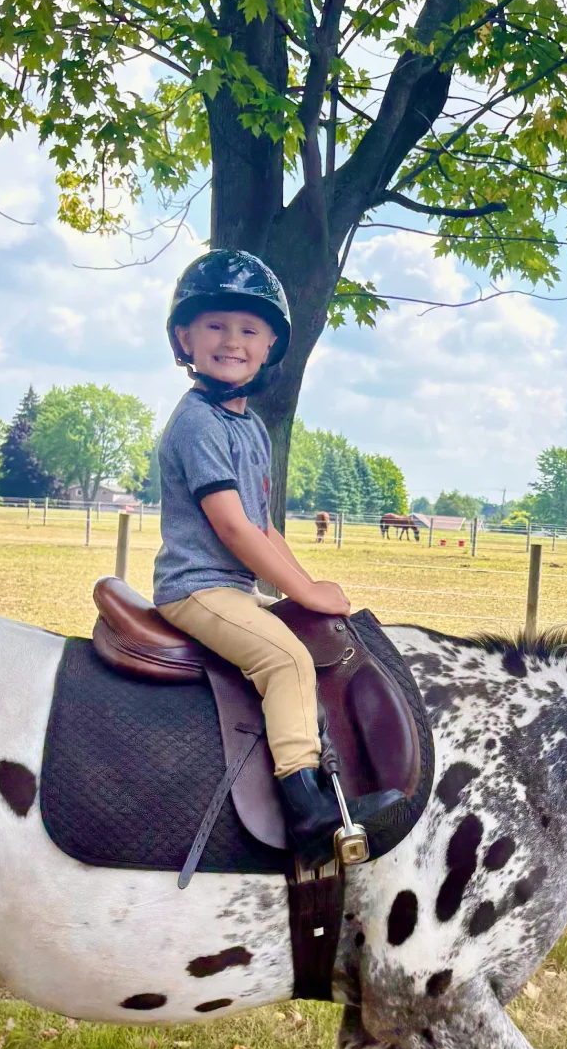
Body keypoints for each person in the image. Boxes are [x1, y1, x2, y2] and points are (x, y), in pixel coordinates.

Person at [152, 248, 405, 863]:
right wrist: (304, 591)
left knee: (318, 633)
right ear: (184, 338)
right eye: (215, 325)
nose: (231, 341)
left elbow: (264, 527)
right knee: (285, 658)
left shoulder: (250, 427)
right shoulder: (197, 424)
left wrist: (305, 587)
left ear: (270, 346)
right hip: (196, 587)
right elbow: (233, 529)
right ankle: (308, 809)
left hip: (233, 587)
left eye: (249, 330)